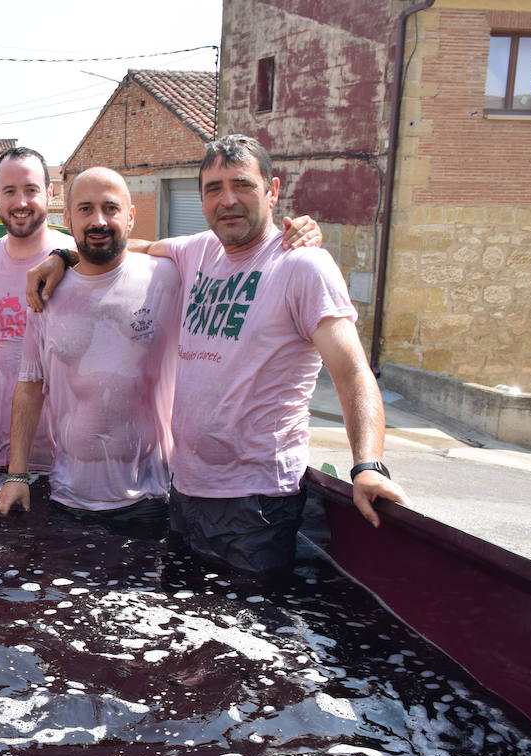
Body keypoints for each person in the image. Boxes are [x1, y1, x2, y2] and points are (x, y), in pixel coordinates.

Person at [29, 136, 407, 574]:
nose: (227, 200)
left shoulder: (302, 266)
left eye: (241, 185)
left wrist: (368, 465)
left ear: (273, 190)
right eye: (213, 188)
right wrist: (60, 256)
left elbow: (353, 371)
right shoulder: (199, 251)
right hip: (186, 491)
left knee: (247, 631)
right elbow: (125, 245)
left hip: (256, 501)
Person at [0, 168, 180, 530]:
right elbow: (31, 386)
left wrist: (298, 234)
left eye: (110, 208)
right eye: (85, 209)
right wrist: (17, 476)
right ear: (67, 218)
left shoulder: (167, 276)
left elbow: (231, 250)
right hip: (67, 494)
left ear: (131, 215)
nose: (98, 220)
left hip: (151, 497)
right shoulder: (45, 292)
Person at [0, 146, 73, 470]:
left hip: (61, 456)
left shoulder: (75, 258)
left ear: (50, 193)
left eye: (31, 190)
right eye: (10, 191)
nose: (20, 202)